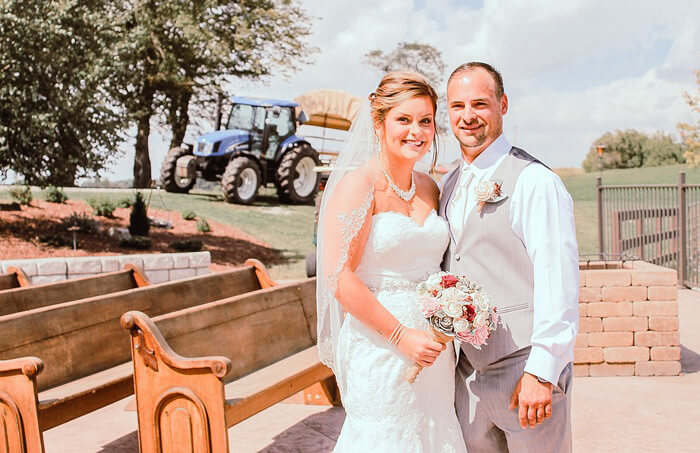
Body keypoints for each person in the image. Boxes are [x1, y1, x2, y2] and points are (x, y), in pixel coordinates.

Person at [316, 71, 467, 452]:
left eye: (426, 121)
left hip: (434, 348)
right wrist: (402, 336)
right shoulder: (359, 185)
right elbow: (337, 275)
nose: (416, 131)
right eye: (404, 119)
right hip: (381, 345)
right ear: (379, 123)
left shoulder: (430, 187)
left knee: (434, 433)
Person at [439, 62, 579, 452]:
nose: (468, 117)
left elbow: (559, 280)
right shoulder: (450, 181)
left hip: (524, 367)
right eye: (457, 106)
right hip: (466, 375)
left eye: (480, 104)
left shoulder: (535, 181)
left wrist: (543, 370)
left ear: (503, 105)